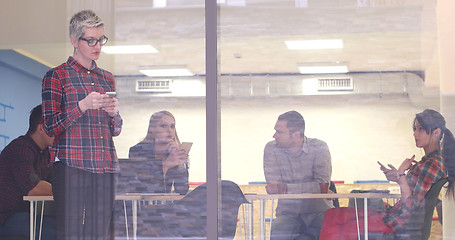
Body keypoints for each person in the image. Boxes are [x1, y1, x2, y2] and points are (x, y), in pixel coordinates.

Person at [41, 10, 122, 240]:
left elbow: (115, 130)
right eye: (91, 40)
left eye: (101, 40)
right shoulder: (56, 76)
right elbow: (49, 127)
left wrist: (114, 114)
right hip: (71, 165)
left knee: (98, 234)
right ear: (74, 41)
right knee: (71, 234)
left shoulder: (107, 77)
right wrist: (82, 106)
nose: (98, 46)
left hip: (105, 166)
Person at [319, 109, 455, 240]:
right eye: (414, 128)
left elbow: (411, 206)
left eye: (420, 129)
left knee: (336, 221)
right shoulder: (428, 162)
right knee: (333, 217)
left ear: (436, 132)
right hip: (394, 217)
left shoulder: (433, 164)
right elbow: (413, 193)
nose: (414, 133)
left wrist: (401, 176)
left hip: (397, 224)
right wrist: (397, 177)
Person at [263, 110, 333, 240]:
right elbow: (274, 188)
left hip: (319, 212)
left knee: (330, 231)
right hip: (287, 213)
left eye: (279, 132)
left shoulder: (319, 147)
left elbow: (322, 188)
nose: (274, 135)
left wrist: (286, 188)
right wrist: (315, 188)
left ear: (296, 135)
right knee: (278, 232)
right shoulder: (271, 148)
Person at [0, 104, 56, 239]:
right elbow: (34, 188)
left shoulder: (44, 153)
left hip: (28, 215)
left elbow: (52, 182)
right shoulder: (21, 148)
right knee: (63, 232)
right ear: (42, 128)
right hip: (6, 218)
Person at [128, 111, 189, 194]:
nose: (169, 130)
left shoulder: (173, 152)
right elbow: (143, 187)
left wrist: (180, 166)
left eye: (172, 126)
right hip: (141, 204)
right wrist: (166, 165)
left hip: (165, 204)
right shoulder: (138, 150)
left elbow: (182, 191)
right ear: (152, 129)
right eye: (163, 126)